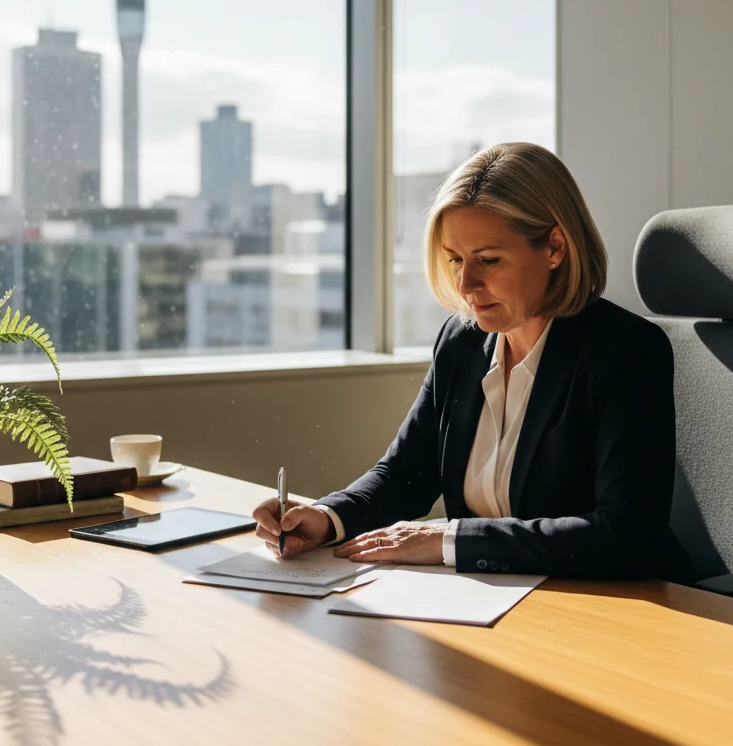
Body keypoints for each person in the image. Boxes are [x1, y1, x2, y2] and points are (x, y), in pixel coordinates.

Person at [253, 142, 691, 580]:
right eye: (456, 260)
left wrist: (450, 541)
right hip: (490, 598)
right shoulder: (461, 342)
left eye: (489, 260)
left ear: (555, 247)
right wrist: (326, 518)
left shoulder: (627, 351)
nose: (466, 284)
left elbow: (626, 533)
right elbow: (406, 472)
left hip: (616, 607)